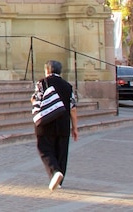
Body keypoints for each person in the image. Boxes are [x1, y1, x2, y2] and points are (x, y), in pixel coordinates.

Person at [32, 60, 78, 190]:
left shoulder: (42, 83)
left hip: (46, 123)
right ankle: (60, 180)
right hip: (63, 124)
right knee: (61, 152)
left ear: (47, 70)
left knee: (44, 149)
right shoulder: (68, 86)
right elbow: (73, 108)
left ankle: (54, 172)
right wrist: (75, 127)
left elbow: (37, 100)